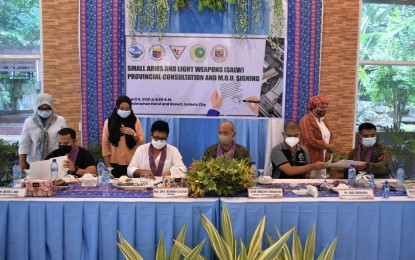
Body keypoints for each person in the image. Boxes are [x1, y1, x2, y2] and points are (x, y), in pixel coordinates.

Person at [19, 93, 67, 171]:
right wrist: (22, 161)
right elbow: (24, 143)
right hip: (34, 162)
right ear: (37, 107)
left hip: (55, 161)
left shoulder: (60, 120)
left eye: (47, 108)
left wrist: (66, 158)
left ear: (52, 107)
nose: (44, 111)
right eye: (41, 108)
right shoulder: (29, 121)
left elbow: (65, 141)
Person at [102, 96, 145, 178]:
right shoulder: (109, 122)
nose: (125, 111)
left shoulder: (135, 121)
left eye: (127, 108)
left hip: (132, 164)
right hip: (114, 164)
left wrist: (133, 134)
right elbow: (105, 145)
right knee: (115, 189)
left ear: (131, 109)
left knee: (132, 188)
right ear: (117, 107)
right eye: (122, 108)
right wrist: (108, 167)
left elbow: (141, 141)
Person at [299, 95, 335, 178]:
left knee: (322, 181)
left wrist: (329, 151)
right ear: (313, 108)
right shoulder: (305, 120)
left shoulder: (324, 120)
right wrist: (328, 146)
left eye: (326, 108)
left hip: (325, 156)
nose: (324, 110)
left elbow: (331, 136)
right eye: (322, 108)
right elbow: (310, 140)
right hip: (311, 157)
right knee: (311, 182)